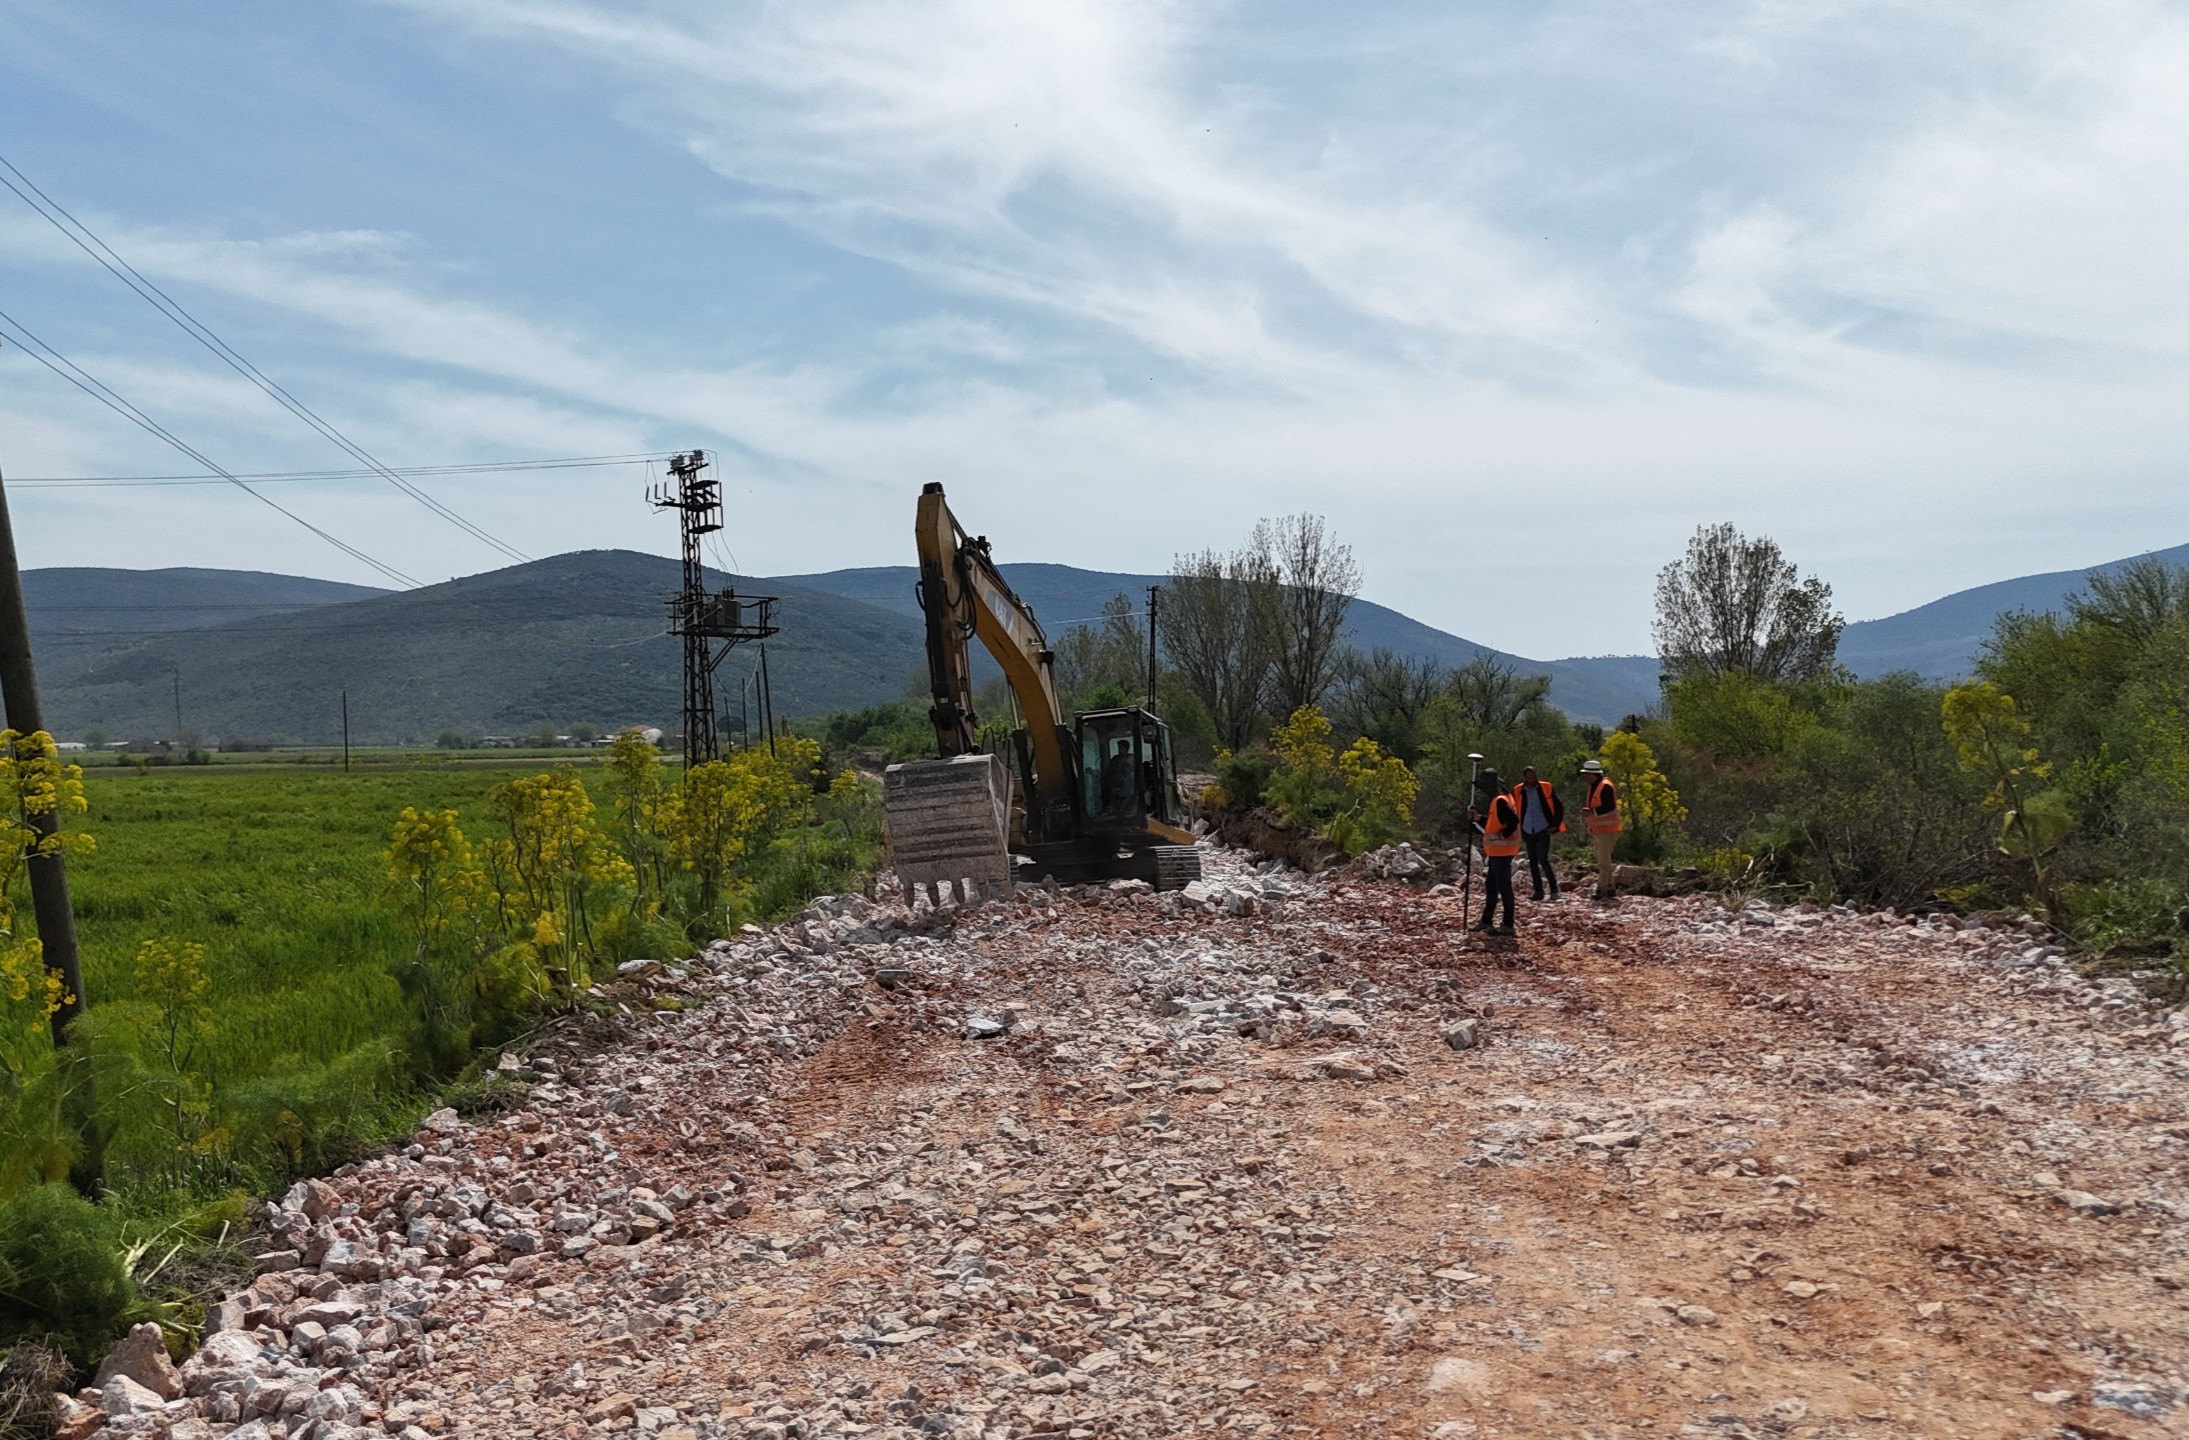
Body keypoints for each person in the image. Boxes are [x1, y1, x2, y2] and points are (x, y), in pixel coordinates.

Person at [1469, 768, 1520, 936]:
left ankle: (1508, 924)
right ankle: (1486, 919)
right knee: (1491, 885)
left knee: (1504, 887)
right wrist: (1478, 819)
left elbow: (1513, 820)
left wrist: (1504, 835)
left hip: (1502, 852)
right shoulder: (1504, 799)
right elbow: (1495, 822)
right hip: (1498, 852)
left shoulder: (1500, 801)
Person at [1511, 765, 1564, 901]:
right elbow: (1514, 809)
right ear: (1525, 777)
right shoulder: (1518, 790)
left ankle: (1554, 890)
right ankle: (1538, 892)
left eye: (1533, 776)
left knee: (1543, 859)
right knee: (1533, 861)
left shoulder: (1546, 787)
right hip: (1528, 829)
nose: (1531, 778)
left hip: (1543, 828)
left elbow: (1558, 807)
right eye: (1528, 776)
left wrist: (1554, 826)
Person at [1579, 758, 1621, 900]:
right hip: (1600, 829)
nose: (1585, 777)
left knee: (1603, 861)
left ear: (1593, 774)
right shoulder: (1595, 786)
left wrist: (1591, 812)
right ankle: (1610, 888)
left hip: (1607, 829)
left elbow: (1609, 807)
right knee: (1604, 860)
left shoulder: (1605, 786)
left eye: (1586, 774)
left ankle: (1602, 888)